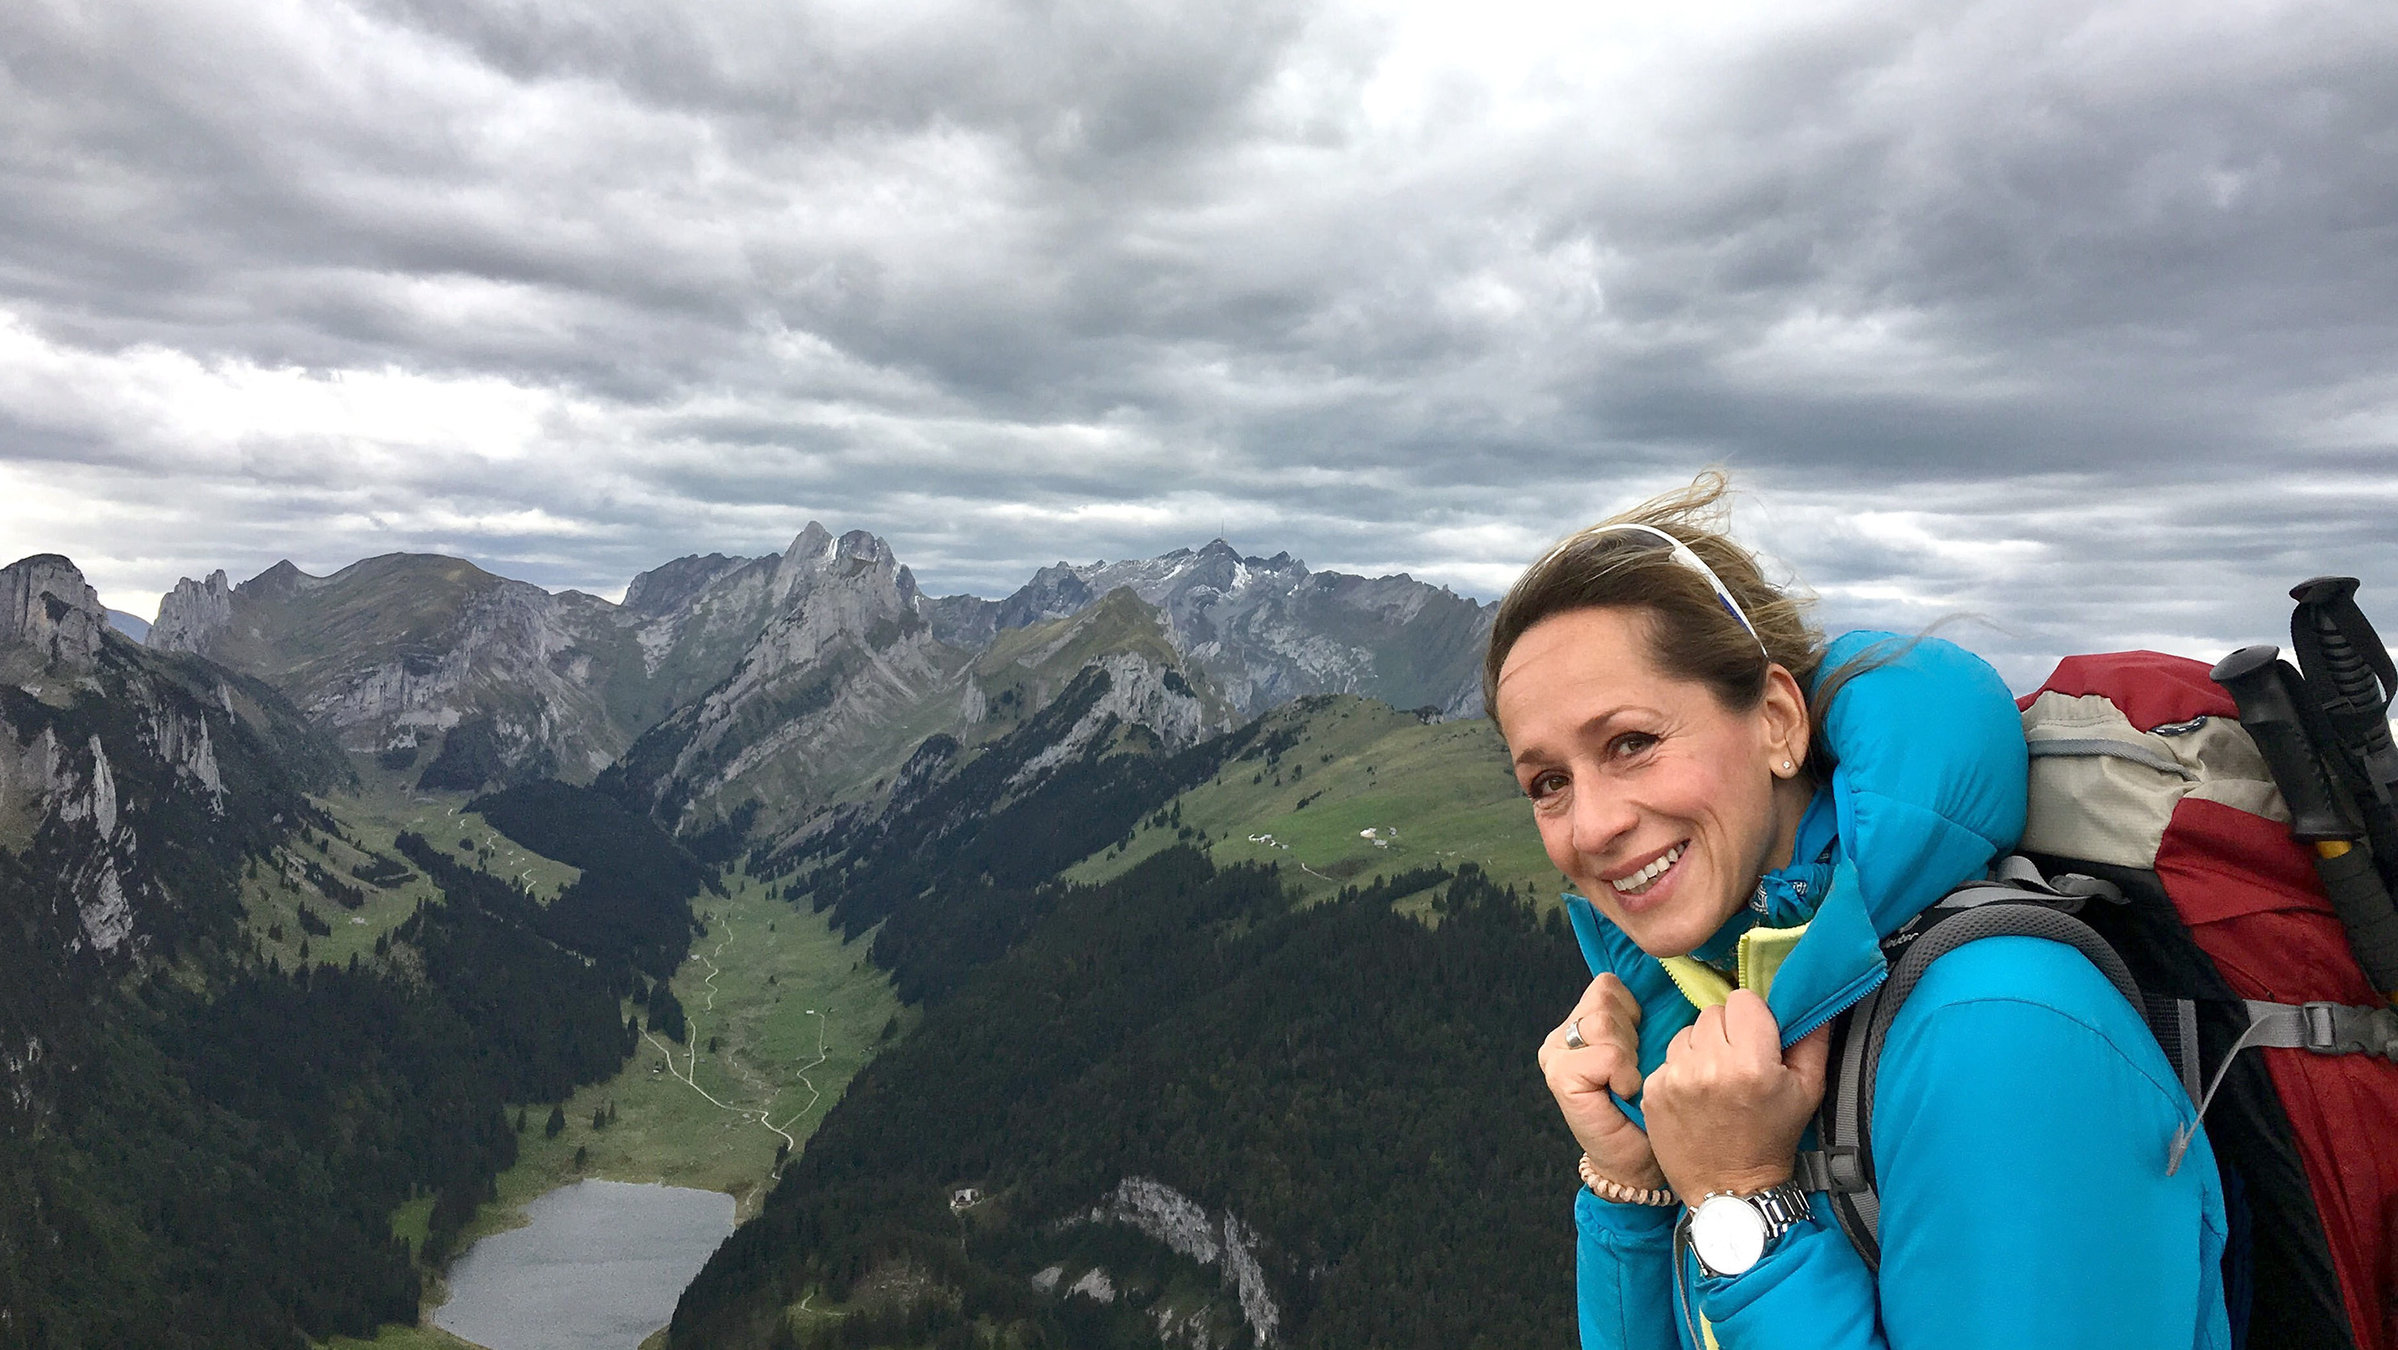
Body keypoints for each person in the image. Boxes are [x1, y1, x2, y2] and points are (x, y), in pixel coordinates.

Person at [1485, 474, 2229, 1350]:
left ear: (1776, 721)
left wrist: (1744, 1209)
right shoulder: (1712, 1010)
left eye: (1632, 743)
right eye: (1548, 784)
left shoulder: (2003, 1029)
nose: (1593, 825)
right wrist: (1634, 1185)